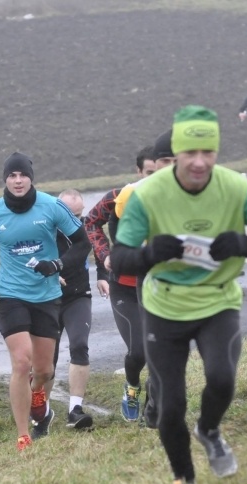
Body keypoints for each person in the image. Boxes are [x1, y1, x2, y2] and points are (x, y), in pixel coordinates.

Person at [111, 105, 247, 484]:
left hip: (217, 302)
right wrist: (151, 252)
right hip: (165, 309)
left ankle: (209, 430)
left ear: (216, 152)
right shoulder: (147, 195)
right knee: (170, 406)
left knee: (222, 378)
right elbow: (119, 258)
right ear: (174, 154)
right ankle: (185, 480)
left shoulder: (236, 188)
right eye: (189, 153)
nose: (198, 162)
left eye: (207, 153)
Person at [0, 152, 91, 451]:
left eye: (22, 175)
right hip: (10, 296)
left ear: (31, 178)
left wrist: (58, 265)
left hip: (46, 295)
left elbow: (83, 243)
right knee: (21, 362)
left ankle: (41, 407)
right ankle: (23, 435)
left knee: (44, 370)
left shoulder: (51, 206)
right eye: (12, 175)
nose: (18, 180)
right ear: (5, 180)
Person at [0, 189, 95, 430]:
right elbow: (1, 264)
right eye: (69, 214)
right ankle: (41, 413)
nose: (75, 220)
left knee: (79, 345)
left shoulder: (80, 230)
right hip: (43, 300)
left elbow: (91, 247)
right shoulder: (35, 228)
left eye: (79, 215)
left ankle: (75, 410)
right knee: (44, 366)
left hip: (77, 297)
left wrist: (104, 275)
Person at [84, 144, 157, 423]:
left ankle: (155, 404)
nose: (153, 178)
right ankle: (131, 387)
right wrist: (105, 255)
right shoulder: (118, 197)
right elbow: (90, 222)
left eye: (159, 172)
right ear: (138, 171)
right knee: (139, 350)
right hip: (125, 286)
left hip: (160, 284)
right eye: (148, 172)